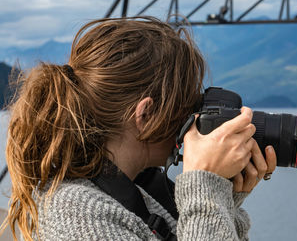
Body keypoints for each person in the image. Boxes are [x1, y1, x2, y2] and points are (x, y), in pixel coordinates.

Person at [3, 17, 276, 241]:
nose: (196, 117)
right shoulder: (78, 214)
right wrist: (204, 189)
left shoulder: (135, 192)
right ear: (145, 115)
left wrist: (223, 200)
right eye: (187, 105)